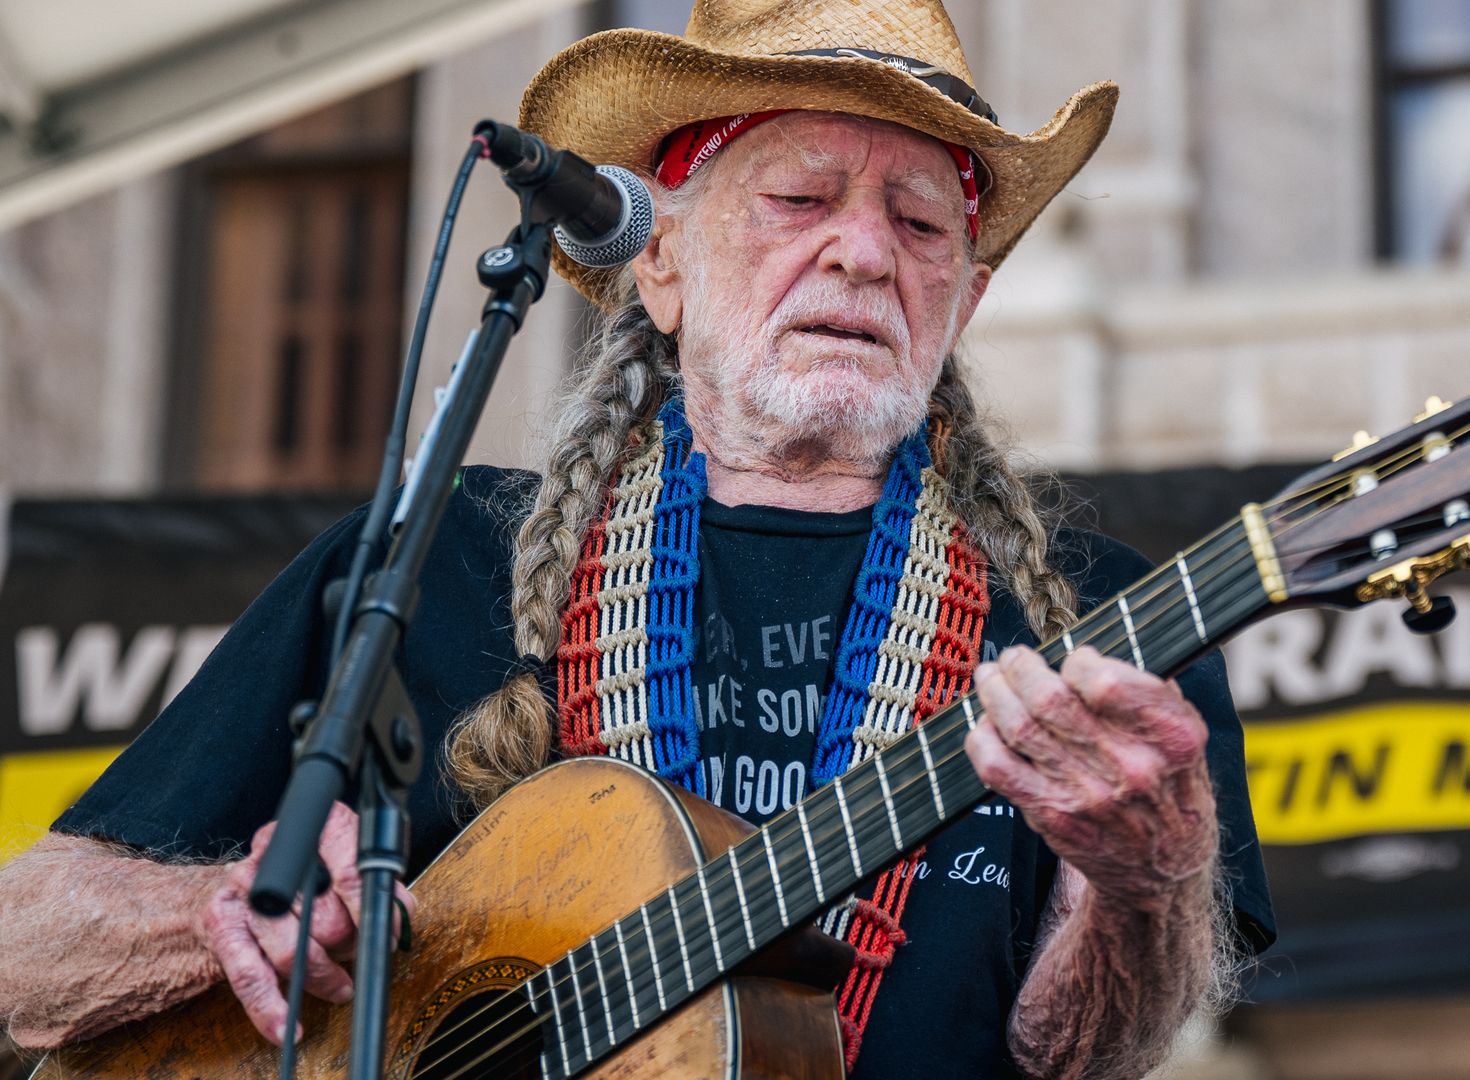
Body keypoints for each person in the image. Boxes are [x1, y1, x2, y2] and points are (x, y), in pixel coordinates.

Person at [0, 2, 1275, 1076]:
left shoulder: (1096, 632)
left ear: (967, 295)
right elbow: (22, 949)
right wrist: (216, 920)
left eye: (922, 223)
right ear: (658, 262)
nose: (864, 252)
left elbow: (1081, 1055)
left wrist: (1147, 882)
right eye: (799, 197)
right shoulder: (425, 559)